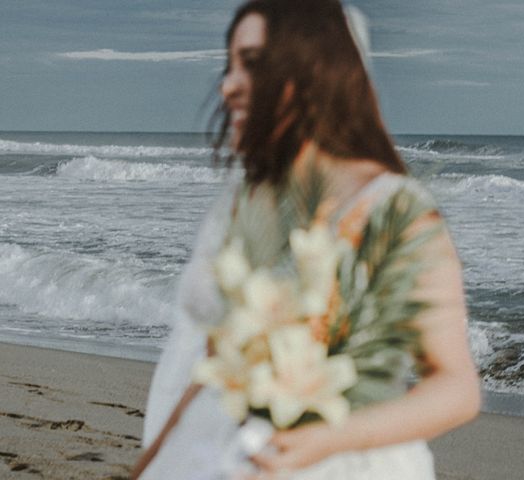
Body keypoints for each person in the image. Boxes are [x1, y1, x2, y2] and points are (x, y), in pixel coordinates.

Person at [138, 0, 480, 478]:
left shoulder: (394, 211)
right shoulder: (243, 202)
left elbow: (456, 388)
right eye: (229, 64)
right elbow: (205, 363)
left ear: (313, 72)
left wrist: (327, 439)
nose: (228, 84)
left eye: (251, 64)